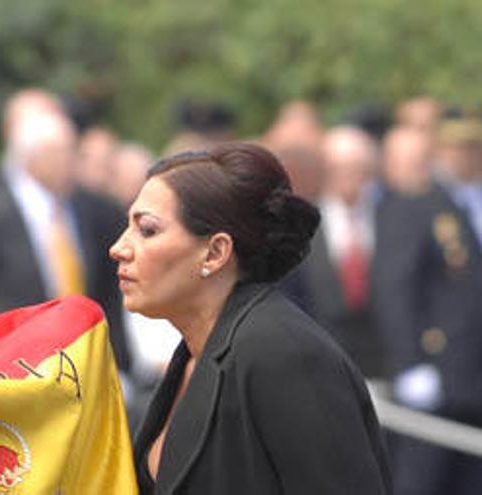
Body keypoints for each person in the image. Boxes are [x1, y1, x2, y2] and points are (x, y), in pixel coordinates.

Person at [110, 142, 391, 493]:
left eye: (147, 230)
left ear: (215, 253)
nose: (119, 248)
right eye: (128, 226)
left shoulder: (283, 352)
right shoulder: (197, 352)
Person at [0, 88, 131, 372]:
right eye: (63, 152)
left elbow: (108, 293)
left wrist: (121, 365)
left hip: (80, 362)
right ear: (34, 156)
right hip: (9, 365)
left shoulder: (94, 208)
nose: (72, 161)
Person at [373, 116, 482, 495]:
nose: (469, 155)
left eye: (474, 146)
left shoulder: (471, 204)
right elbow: (396, 289)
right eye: (459, 147)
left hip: (474, 376)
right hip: (437, 368)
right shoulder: (420, 204)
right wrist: (412, 362)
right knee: (423, 480)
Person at [288, 126, 389, 379]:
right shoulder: (303, 222)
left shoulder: (392, 217)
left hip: (383, 358)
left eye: (357, 168)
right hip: (323, 359)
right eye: (338, 168)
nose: (348, 176)